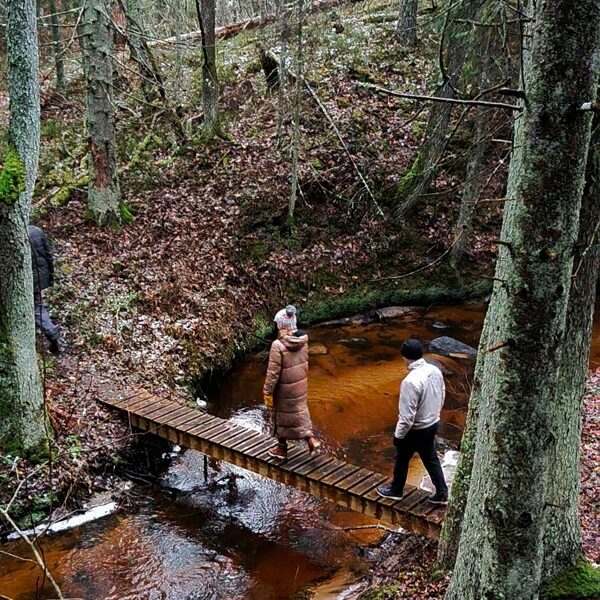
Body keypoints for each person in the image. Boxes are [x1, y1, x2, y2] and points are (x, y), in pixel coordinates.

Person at [377, 339, 448, 504]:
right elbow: (442, 393)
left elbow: (407, 416)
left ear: (405, 357)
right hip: (432, 423)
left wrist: (398, 435)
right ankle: (442, 493)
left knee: (402, 458)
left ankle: (396, 490)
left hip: (416, 429)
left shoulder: (410, 382)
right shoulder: (434, 370)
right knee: (430, 458)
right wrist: (435, 414)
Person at [263, 329, 321, 459]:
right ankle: (312, 440)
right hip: (300, 385)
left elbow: (273, 374)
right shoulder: (303, 341)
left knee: (282, 418)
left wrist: (267, 392)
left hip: (284, 389)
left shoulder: (278, 345)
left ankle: (281, 449)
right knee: (300, 414)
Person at [28, 225, 61, 354]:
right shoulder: (36, 231)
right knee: (36, 305)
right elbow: (48, 255)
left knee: (36, 308)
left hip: (30, 279)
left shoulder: (13, 236)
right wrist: (51, 275)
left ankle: (52, 333)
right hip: (41, 276)